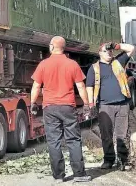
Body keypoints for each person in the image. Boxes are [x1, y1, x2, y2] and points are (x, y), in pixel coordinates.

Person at [31, 36, 92, 183]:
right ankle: (79, 174)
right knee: (73, 140)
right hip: (67, 106)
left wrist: (33, 102)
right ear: (64, 48)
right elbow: (81, 86)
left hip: (50, 107)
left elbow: (36, 86)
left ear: (52, 46)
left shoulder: (43, 64)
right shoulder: (72, 64)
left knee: (53, 141)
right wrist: (86, 104)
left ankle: (58, 176)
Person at [85, 42, 136, 171]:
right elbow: (89, 87)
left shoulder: (118, 62)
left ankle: (123, 161)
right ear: (99, 53)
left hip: (122, 104)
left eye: (110, 51)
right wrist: (91, 104)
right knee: (106, 134)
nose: (108, 52)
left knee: (123, 134)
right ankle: (109, 159)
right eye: (105, 51)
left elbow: (132, 48)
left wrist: (115, 46)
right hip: (105, 106)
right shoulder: (94, 68)